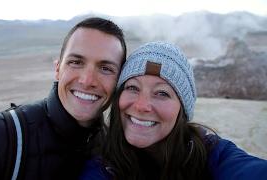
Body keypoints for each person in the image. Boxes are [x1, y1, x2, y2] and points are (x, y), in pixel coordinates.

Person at [0, 17, 127, 179]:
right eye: (76, 62)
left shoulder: (112, 150)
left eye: (105, 68)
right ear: (57, 69)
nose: (87, 81)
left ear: (119, 81)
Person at [79, 41, 267, 180]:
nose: (141, 106)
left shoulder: (213, 155)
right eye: (133, 88)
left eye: (161, 93)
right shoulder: (100, 163)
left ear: (182, 109)